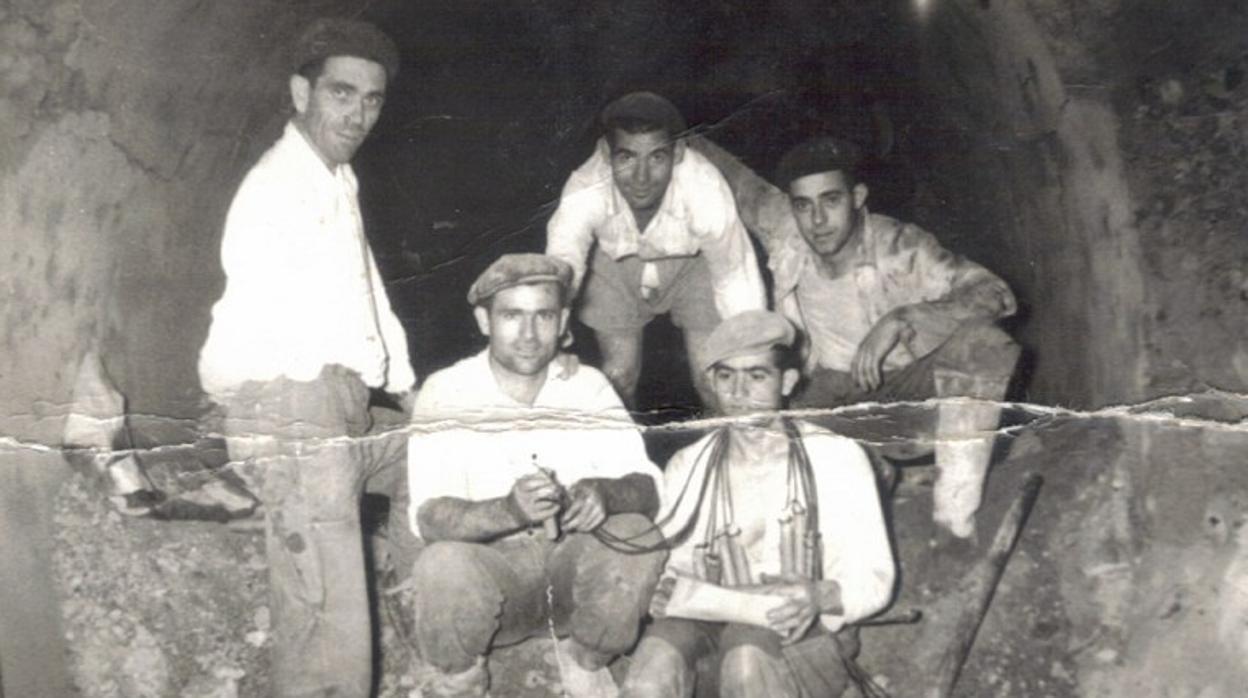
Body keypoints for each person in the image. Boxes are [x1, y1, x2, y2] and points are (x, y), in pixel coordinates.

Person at [197, 18, 415, 697]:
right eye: (341, 93)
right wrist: (305, 422)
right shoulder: (277, 187)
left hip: (337, 403)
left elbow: (367, 289)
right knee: (327, 620)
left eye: (371, 99)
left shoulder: (333, 179)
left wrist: (408, 390)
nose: (357, 114)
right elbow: (271, 330)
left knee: (432, 453)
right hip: (292, 405)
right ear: (302, 92)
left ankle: (418, 616)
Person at [407, 253, 667, 698]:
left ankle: (587, 659)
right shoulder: (446, 390)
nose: (528, 335)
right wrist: (507, 510)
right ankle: (460, 679)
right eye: (512, 316)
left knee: (638, 534)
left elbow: (647, 487)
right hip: (495, 580)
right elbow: (430, 517)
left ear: (563, 320)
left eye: (543, 316)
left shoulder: (588, 386)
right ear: (484, 321)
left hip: (572, 582)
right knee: (442, 564)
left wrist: (607, 493)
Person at [621, 310, 895, 698]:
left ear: (787, 382)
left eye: (757, 375)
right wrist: (665, 588)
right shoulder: (689, 465)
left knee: (746, 660)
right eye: (726, 375)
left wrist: (819, 595)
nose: (739, 391)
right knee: (649, 672)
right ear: (711, 382)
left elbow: (877, 577)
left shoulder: (836, 457)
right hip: (707, 624)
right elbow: (673, 563)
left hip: (800, 636)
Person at [771, 137, 1021, 538]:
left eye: (831, 200)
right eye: (804, 205)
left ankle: (955, 511)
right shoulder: (788, 249)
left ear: (857, 196)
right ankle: (872, 473)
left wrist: (904, 318)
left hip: (910, 387)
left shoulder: (901, 247)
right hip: (834, 399)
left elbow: (995, 294)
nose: (817, 220)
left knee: (985, 344)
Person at [545, 91, 766, 409]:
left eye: (657, 157)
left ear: (677, 154)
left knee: (714, 380)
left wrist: (751, 356)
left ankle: (726, 455)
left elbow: (735, 275)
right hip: (612, 266)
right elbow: (562, 265)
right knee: (618, 379)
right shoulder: (584, 187)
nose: (641, 178)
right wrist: (551, 336)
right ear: (607, 154)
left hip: (693, 267)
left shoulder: (704, 189)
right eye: (627, 158)